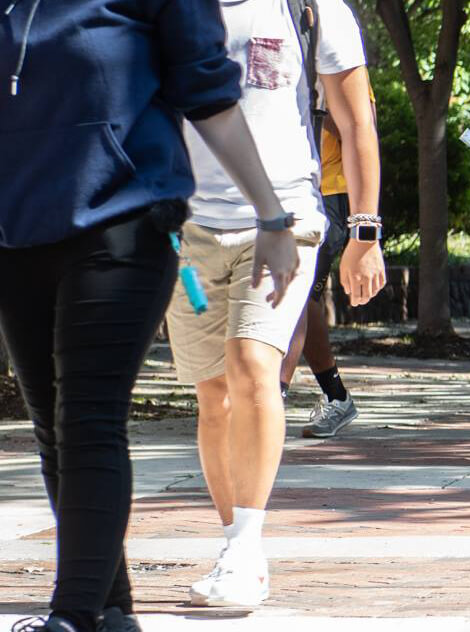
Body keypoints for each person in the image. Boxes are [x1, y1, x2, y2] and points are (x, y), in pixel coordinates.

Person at [0, 1, 306, 628]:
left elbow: (209, 93)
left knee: (86, 417)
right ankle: (112, 612)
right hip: (18, 233)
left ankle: (75, 614)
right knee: (54, 431)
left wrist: (271, 217)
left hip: (124, 223)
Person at [160, 0, 379, 609]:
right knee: (212, 395)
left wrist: (365, 232)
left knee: (254, 366)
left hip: (285, 224)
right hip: (187, 237)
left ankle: (249, 546)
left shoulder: (312, 9)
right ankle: (234, 544)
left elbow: (357, 118)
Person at [279, 70, 384, 441]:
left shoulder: (334, 56)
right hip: (278, 188)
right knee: (299, 297)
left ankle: (272, 396)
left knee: (298, 294)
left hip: (329, 193)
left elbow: (359, 126)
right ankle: (336, 395)